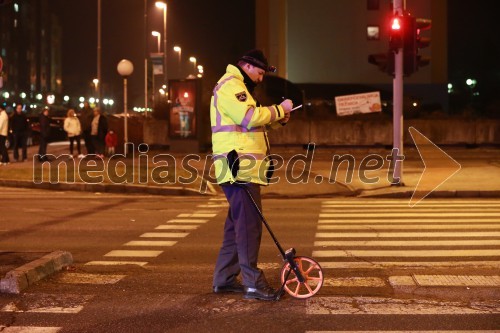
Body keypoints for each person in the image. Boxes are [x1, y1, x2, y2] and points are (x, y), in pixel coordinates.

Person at [210, 49, 292, 301]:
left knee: (236, 226)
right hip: (239, 169)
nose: (260, 78)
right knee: (248, 228)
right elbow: (248, 118)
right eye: (259, 72)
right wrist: (279, 109)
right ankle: (253, 284)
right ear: (246, 66)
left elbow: (252, 122)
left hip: (241, 169)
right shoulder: (231, 86)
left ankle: (224, 280)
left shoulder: (239, 89)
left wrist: (279, 118)